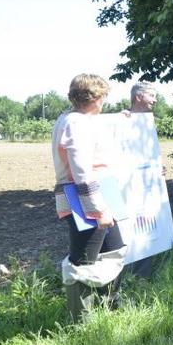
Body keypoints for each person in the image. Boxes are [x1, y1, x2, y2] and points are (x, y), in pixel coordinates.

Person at [52, 74, 127, 321]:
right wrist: (98, 210)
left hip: (96, 197)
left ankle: (111, 311)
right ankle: (82, 325)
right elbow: (81, 171)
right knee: (82, 263)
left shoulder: (74, 118)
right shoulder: (77, 124)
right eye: (103, 96)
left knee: (114, 251)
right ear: (94, 97)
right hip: (84, 201)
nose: (104, 102)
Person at [125, 81, 158, 278]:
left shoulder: (147, 123)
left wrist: (157, 167)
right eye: (151, 95)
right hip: (128, 187)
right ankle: (130, 277)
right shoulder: (121, 120)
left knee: (147, 229)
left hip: (147, 187)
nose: (154, 100)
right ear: (138, 97)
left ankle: (143, 277)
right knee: (131, 230)